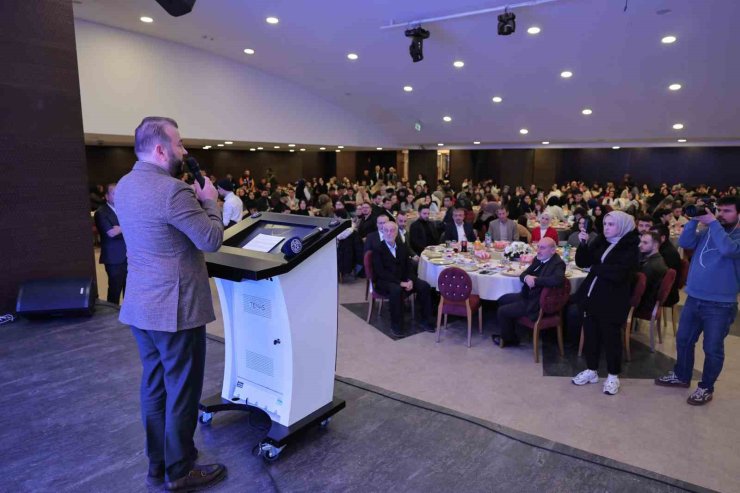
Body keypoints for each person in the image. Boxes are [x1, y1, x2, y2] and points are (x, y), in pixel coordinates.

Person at [115, 117, 227, 490]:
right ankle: (179, 470)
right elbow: (210, 239)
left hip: (141, 306)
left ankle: (158, 463)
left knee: (155, 386)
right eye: (179, 145)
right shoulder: (172, 192)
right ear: (161, 149)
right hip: (175, 309)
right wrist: (210, 203)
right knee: (182, 388)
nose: (184, 151)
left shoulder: (126, 186)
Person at [655, 196, 740, 405]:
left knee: (712, 348)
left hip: (721, 303)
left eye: (727, 211)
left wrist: (711, 221)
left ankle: (706, 387)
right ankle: (682, 375)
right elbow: (685, 243)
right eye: (718, 210)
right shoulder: (711, 228)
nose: (720, 214)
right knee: (683, 340)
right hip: (694, 296)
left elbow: (729, 250)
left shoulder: (729, 232)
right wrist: (694, 218)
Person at [571, 211, 640, 395]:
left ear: (623, 226)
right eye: (605, 224)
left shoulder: (630, 247)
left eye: (611, 224)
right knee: (591, 335)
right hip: (591, 296)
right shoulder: (602, 240)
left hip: (613, 299)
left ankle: (613, 375)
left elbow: (618, 274)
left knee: (611, 339)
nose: (606, 228)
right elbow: (582, 261)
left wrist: (594, 267)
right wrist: (584, 243)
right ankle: (592, 370)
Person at [493, 238, 566, 347]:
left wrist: (535, 280)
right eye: (538, 247)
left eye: (542, 248)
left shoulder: (558, 264)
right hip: (527, 295)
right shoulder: (538, 259)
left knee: (502, 311)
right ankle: (511, 331)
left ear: (552, 250)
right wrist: (527, 277)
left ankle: (510, 340)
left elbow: (558, 280)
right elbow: (524, 274)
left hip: (537, 303)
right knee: (502, 300)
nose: (538, 250)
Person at [371, 221, 434, 338]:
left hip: (403, 278)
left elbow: (409, 266)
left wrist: (410, 280)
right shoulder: (377, 249)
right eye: (386, 231)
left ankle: (426, 320)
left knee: (424, 286)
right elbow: (381, 272)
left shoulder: (402, 246)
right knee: (396, 290)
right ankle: (396, 325)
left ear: (396, 233)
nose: (389, 233)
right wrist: (401, 283)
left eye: (392, 230)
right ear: (383, 232)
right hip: (384, 281)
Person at [94, 183, 127, 304]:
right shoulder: (101, 212)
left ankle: (127, 317)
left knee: (129, 291)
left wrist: (121, 228)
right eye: (114, 193)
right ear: (107, 196)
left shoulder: (125, 209)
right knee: (115, 290)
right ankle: (112, 318)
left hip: (130, 257)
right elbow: (111, 233)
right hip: (114, 258)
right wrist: (128, 225)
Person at [636, 232, 668, 315]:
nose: (640, 245)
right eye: (640, 241)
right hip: (648, 300)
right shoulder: (656, 259)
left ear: (655, 245)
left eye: (645, 243)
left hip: (644, 305)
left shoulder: (652, 266)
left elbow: (639, 289)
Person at [650, 223, 682, 307]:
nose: (650, 238)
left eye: (653, 236)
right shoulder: (664, 248)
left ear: (663, 238)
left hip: (666, 294)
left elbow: (658, 277)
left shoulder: (666, 253)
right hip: (667, 291)